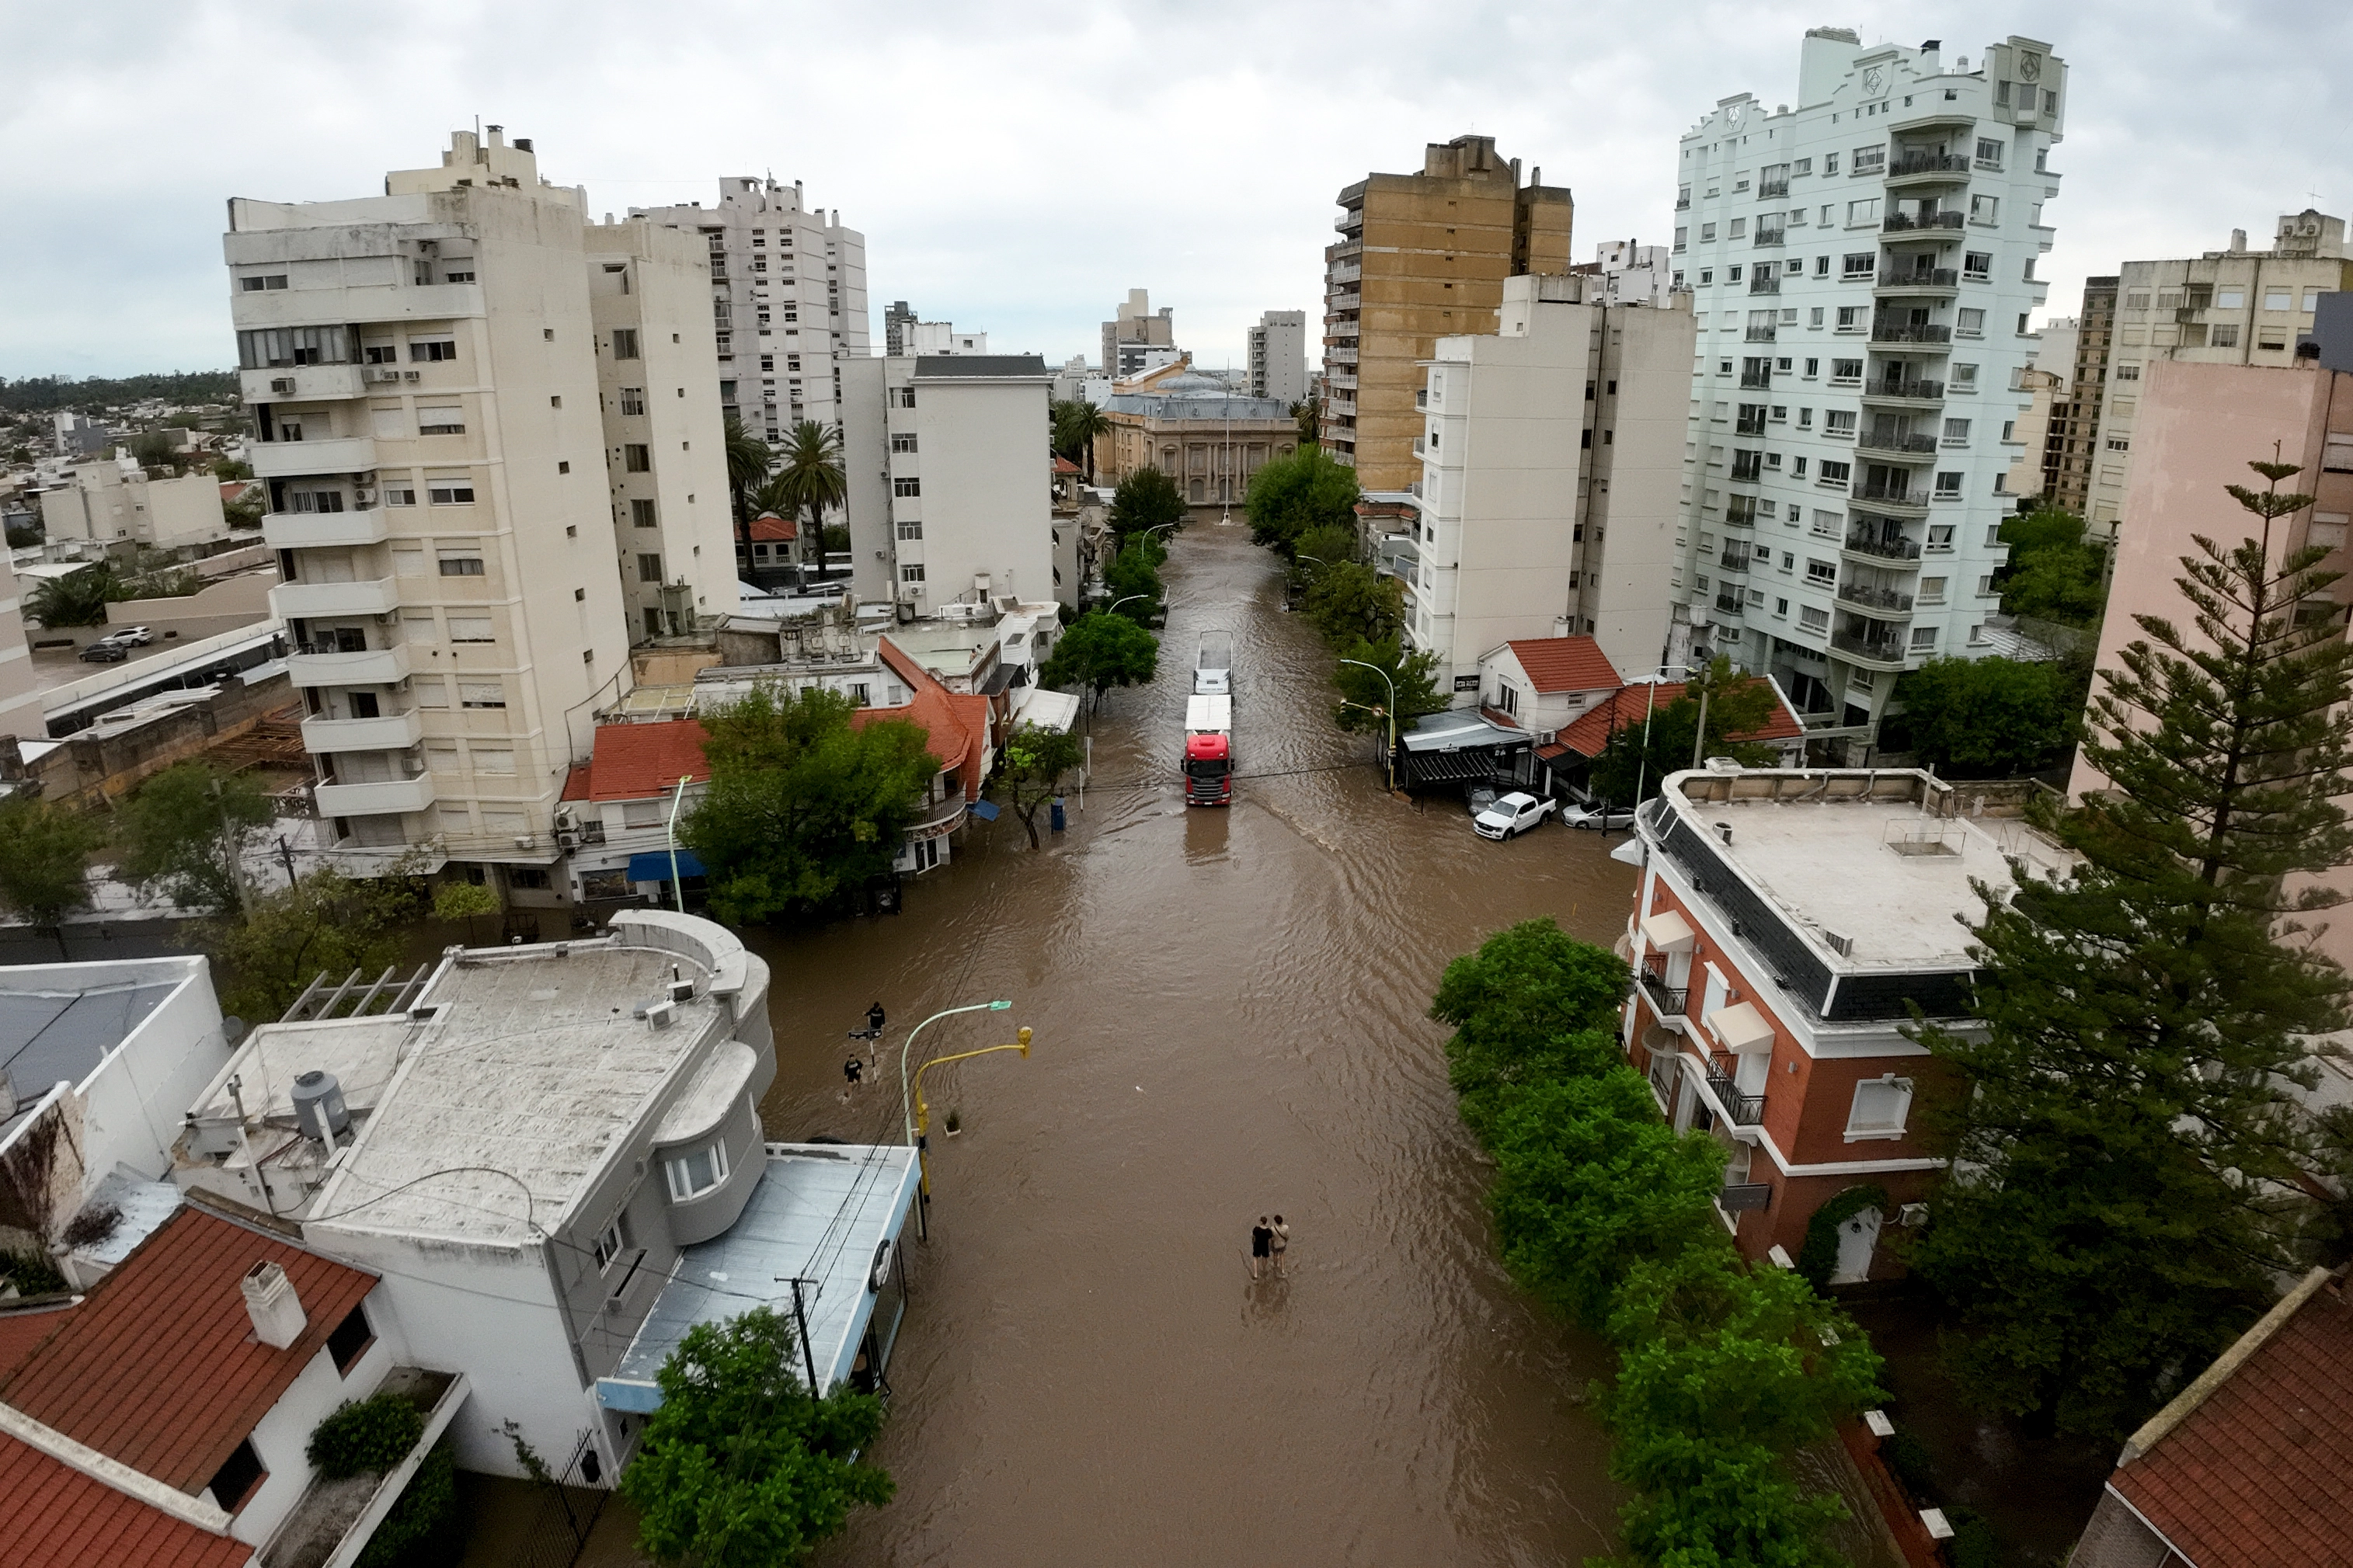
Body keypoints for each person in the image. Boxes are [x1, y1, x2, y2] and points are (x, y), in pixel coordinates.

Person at [1248, 1216, 1272, 1281]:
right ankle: (1264, 1269)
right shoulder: (1269, 1231)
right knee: (1264, 1258)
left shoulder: (1256, 1229)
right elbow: (1270, 1241)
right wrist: (1270, 1248)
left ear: (1261, 1222)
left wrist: (1253, 1243)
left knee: (1255, 1258)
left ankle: (1256, 1274)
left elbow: (1253, 1238)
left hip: (1257, 1245)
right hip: (1265, 1246)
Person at [1269, 1214, 1290, 1278]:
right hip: (1283, 1244)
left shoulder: (1272, 1228)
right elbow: (1287, 1236)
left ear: (1275, 1221)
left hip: (1275, 1244)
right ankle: (1283, 1270)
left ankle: (1275, 1265)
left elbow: (1271, 1238)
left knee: (1275, 1255)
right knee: (1282, 1255)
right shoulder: (1286, 1227)